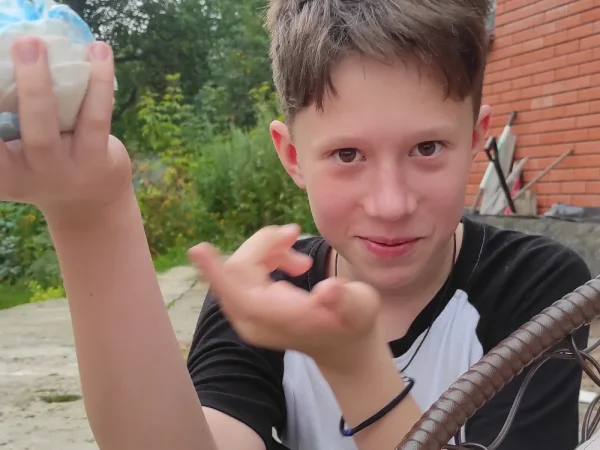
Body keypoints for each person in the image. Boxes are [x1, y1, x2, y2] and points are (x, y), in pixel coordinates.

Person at [0, 3, 589, 450]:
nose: (390, 204)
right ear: (292, 156)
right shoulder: (267, 292)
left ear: (477, 138)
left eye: (427, 148)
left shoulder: (540, 289)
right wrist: (92, 212)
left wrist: (355, 368)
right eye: (347, 155)